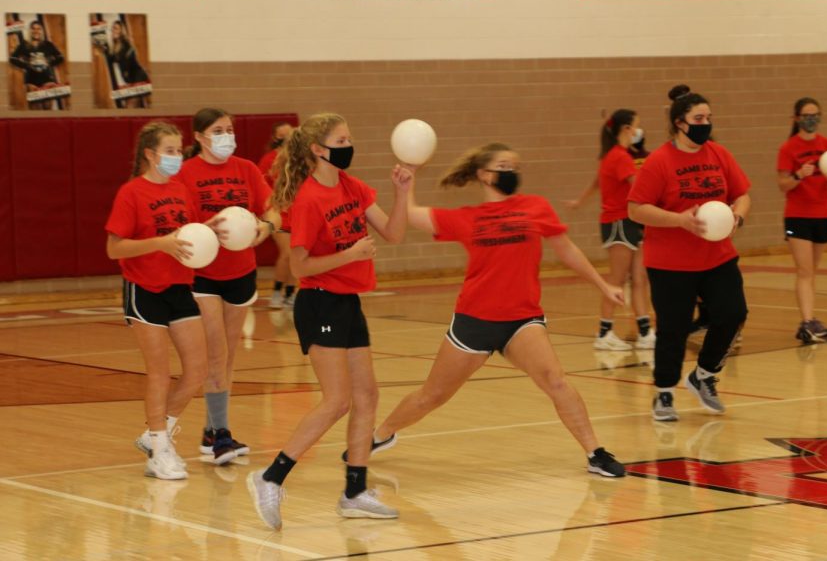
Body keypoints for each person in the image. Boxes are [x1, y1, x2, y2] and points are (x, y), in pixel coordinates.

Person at [356, 142, 627, 481]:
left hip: (522, 319)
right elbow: (409, 215)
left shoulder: (535, 207)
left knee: (556, 380)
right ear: (484, 175)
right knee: (432, 395)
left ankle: (595, 453)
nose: (511, 172)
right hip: (474, 322)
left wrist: (603, 285)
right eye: (503, 166)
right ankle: (381, 434)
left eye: (515, 166)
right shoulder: (467, 217)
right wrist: (407, 182)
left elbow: (567, 251)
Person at [246, 112, 412, 529]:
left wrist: (402, 191)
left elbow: (393, 234)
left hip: (348, 302)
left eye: (349, 136)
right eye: (342, 138)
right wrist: (349, 255)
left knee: (368, 396)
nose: (349, 144)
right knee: (337, 400)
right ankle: (270, 477)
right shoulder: (307, 199)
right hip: (319, 302)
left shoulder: (352, 187)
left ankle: (355, 491)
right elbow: (300, 266)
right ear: (319, 149)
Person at [628, 84, 751, 422]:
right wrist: (678, 220)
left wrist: (737, 215)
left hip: (718, 256)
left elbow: (742, 194)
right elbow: (636, 209)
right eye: (699, 118)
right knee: (674, 328)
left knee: (733, 313)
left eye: (709, 117)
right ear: (680, 123)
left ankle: (704, 375)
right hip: (670, 263)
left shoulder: (719, 154)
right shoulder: (659, 162)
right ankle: (664, 393)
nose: (706, 123)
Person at [174, 108, 281, 464]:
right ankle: (221, 435)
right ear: (201, 137)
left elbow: (273, 209)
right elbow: (180, 225)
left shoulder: (247, 169)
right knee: (216, 354)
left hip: (241, 271)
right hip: (203, 274)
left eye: (230, 129)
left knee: (229, 357)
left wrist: (264, 229)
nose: (226, 136)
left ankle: (211, 430)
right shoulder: (186, 173)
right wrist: (208, 230)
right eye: (218, 130)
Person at [105, 121, 208, 479]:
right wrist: (159, 244)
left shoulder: (182, 189)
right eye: (169, 150)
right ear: (149, 154)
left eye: (179, 151)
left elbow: (190, 235)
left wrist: (214, 234)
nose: (176, 157)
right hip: (143, 288)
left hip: (179, 286)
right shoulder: (131, 193)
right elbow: (114, 247)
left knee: (198, 370)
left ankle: (154, 434)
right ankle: (160, 448)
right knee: (160, 372)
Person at [566, 109, 655, 351]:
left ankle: (646, 332)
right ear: (626, 129)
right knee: (615, 281)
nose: (639, 130)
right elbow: (639, 189)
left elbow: (597, 182)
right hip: (619, 223)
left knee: (640, 278)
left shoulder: (614, 156)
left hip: (632, 222)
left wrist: (579, 201)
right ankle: (604, 333)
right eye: (637, 125)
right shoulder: (619, 157)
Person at [777, 97, 827, 344]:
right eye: (806, 115)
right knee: (804, 271)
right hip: (798, 215)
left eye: (816, 114)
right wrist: (798, 175)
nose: (811, 118)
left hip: (822, 214)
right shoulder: (788, 148)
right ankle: (806, 323)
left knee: (811, 272)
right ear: (797, 119)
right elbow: (783, 185)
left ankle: (810, 318)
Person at [258, 120, 297, 309]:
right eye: (284, 134)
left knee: (296, 255)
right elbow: (260, 186)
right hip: (278, 214)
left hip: (297, 213)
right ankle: (276, 292)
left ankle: (290, 294)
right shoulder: (269, 159)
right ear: (277, 137)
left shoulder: (300, 159)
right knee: (287, 253)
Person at [8, 21, 65, 110]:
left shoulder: (48, 44)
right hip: (31, 80)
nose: (36, 31)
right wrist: (27, 65)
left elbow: (60, 57)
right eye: (33, 28)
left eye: (38, 29)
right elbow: (12, 59)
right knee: (35, 108)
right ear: (30, 31)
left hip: (47, 79)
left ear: (42, 31)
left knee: (47, 107)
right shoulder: (24, 45)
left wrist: (48, 63)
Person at [96, 20, 150, 108]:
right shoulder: (116, 46)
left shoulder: (126, 45)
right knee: (136, 106)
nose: (113, 30)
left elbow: (126, 58)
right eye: (112, 28)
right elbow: (111, 59)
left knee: (130, 106)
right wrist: (104, 50)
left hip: (139, 78)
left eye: (116, 28)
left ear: (121, 31)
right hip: (132, 80)